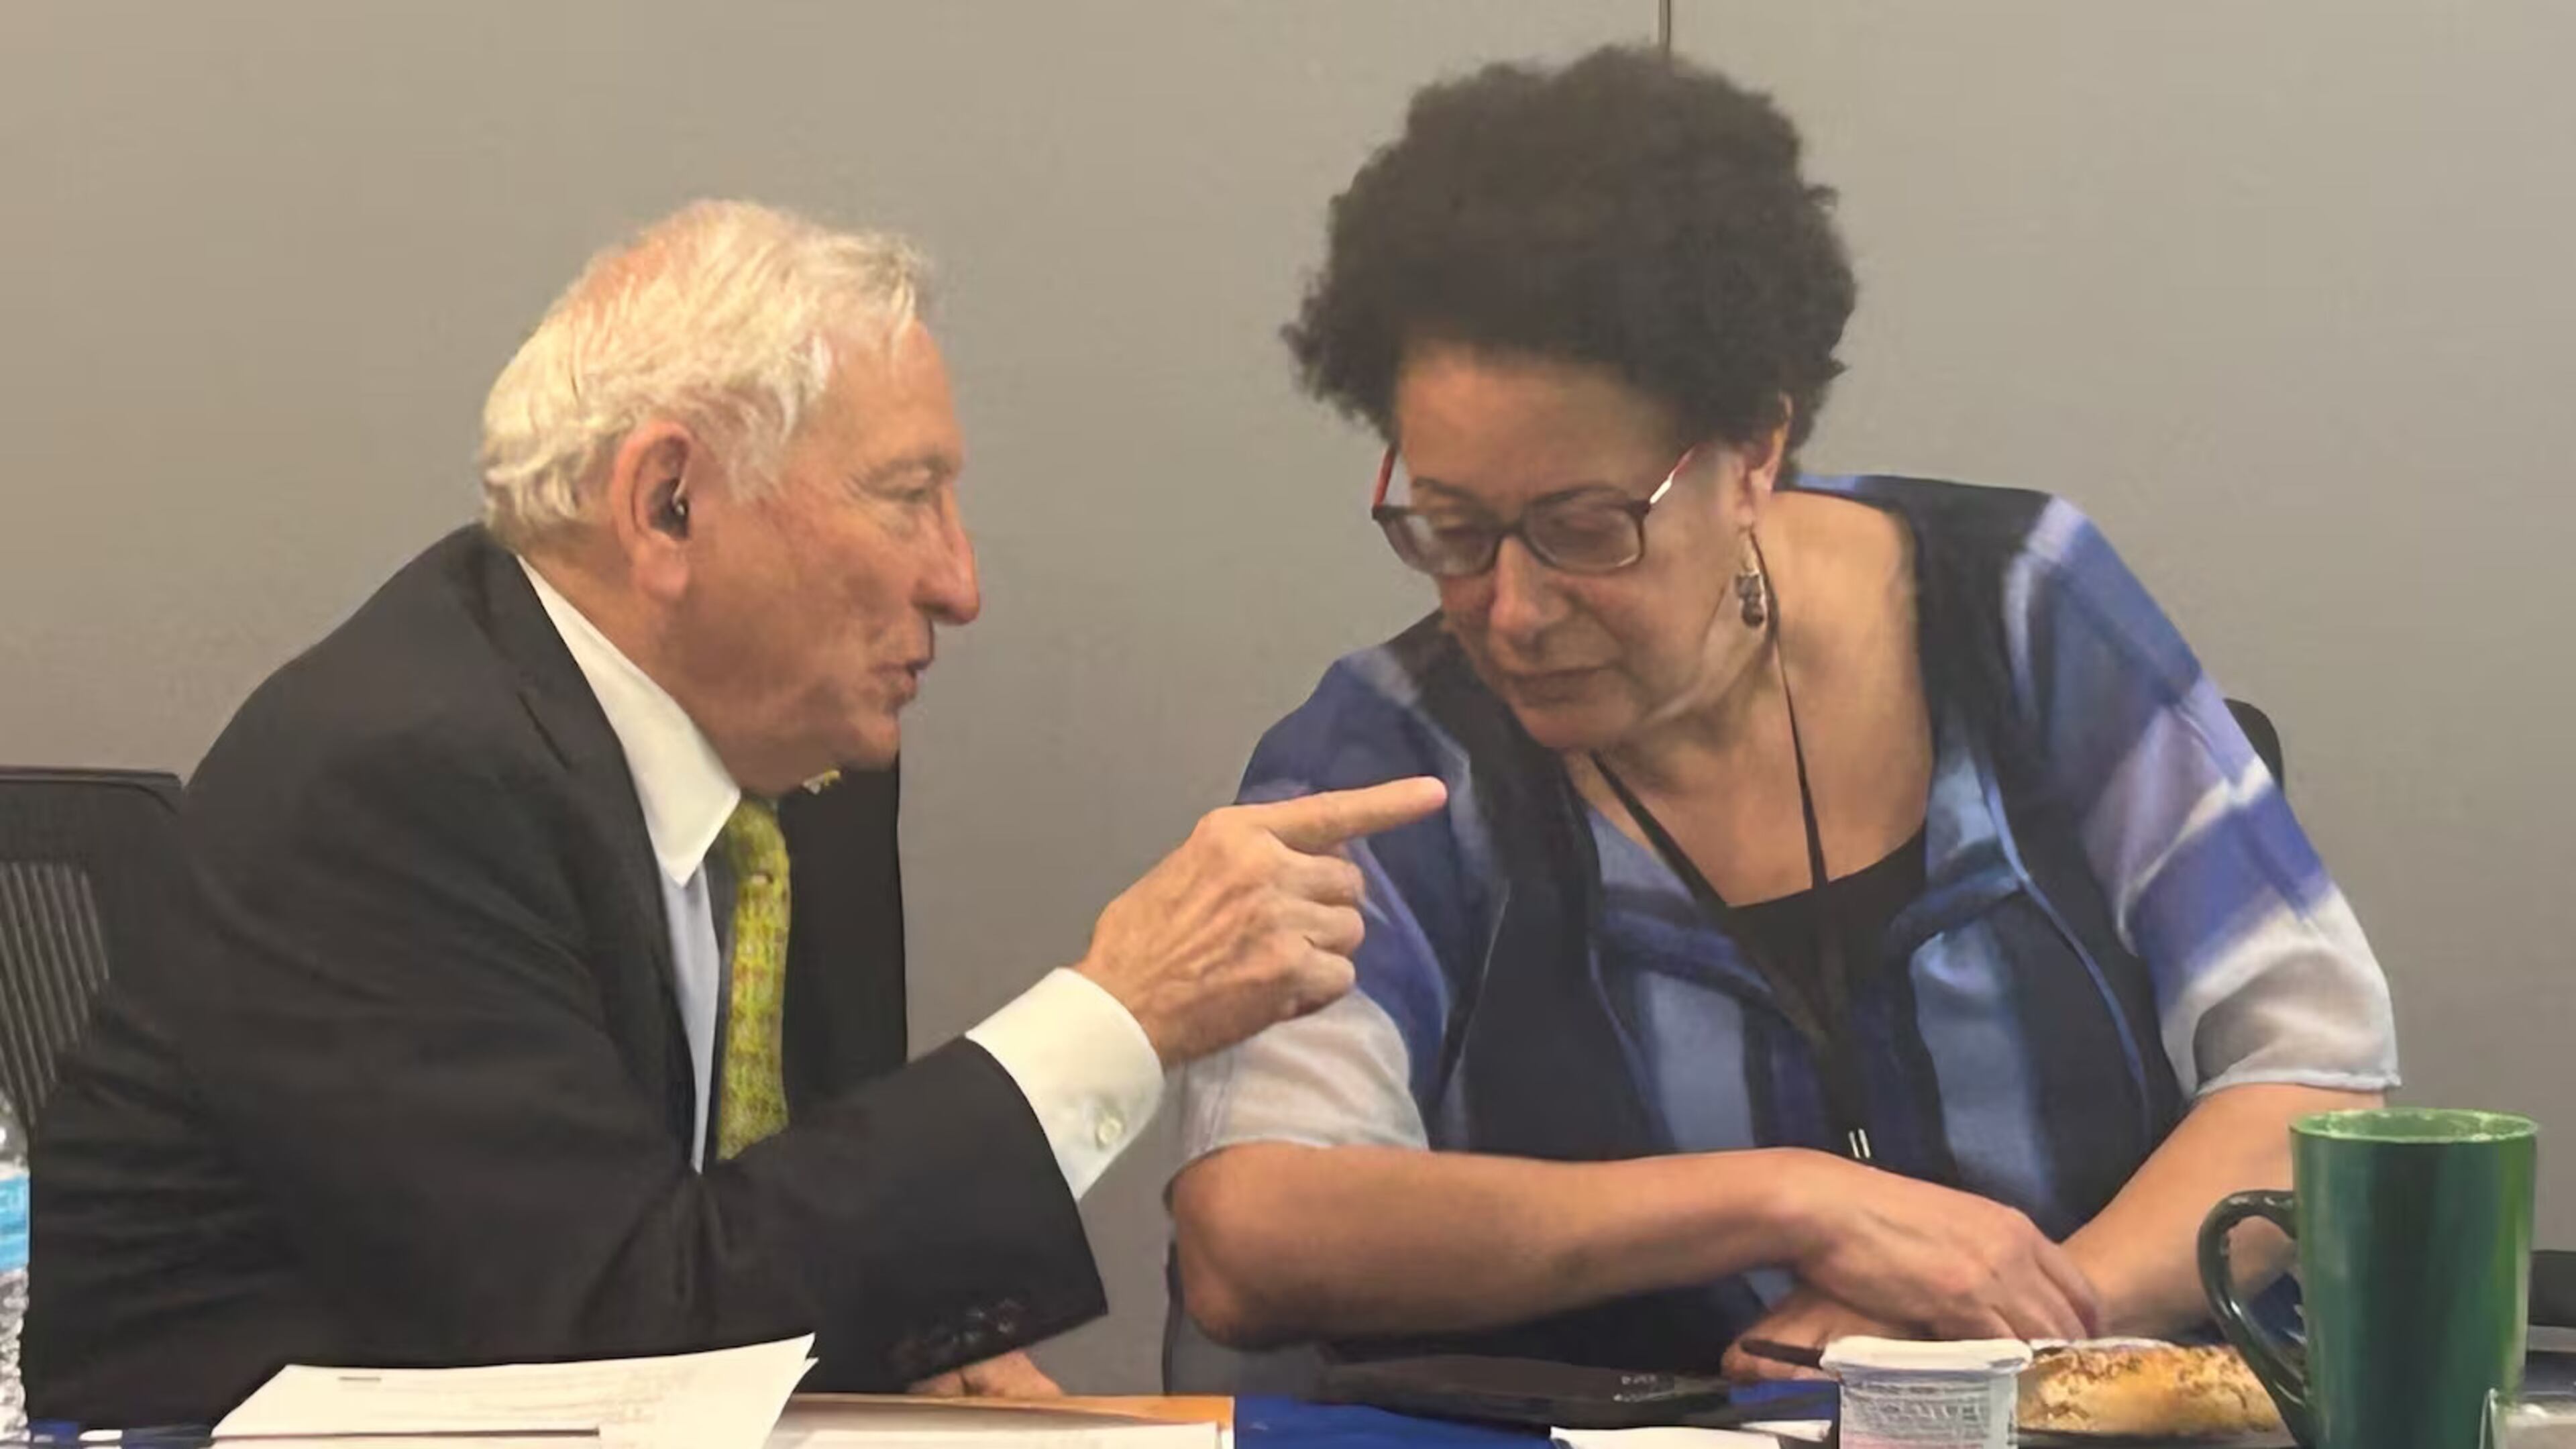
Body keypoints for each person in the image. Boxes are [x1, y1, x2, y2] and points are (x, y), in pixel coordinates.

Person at [28, 200, 1445, 1424]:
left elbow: (778, 1220)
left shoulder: (801, 759)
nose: (960, 584)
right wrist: (1120, 1010)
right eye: (908, 499)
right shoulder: (395, 777)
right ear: (670, 507)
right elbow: (611, 1341)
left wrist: (912, 1348)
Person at [1167, 47, 2398, 1383]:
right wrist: (1784, 1197)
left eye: (1584, 531)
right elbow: (1255, 1229)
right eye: (1453, 530)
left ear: (1753, 452)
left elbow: (2320, 1085)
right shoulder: (1387, 762)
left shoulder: (2026, 608)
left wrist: (2001, 1333)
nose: (1511, 608)